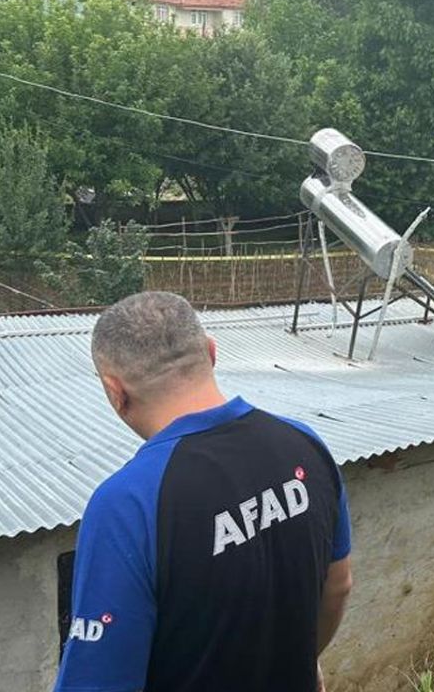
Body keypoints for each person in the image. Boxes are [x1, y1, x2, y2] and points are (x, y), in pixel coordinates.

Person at [54, 291, 353, 692]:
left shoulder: (129, 504)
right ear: (211, 353)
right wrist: (305, 662)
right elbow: (339, 584)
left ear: (115, 391)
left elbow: (98, 681)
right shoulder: (304, 443)